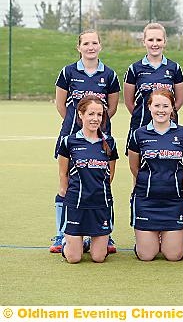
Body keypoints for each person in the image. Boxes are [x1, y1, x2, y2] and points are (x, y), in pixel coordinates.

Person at [51, 29, 120, 254]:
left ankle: (103, 234)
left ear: (100, 46)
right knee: (67, 184)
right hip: (72, 135)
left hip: (99, 139)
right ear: (78, 47)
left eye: (95, 43)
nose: (91, 47)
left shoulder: (109, 75)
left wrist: (95, 127)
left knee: (101, 185)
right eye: (86, 44)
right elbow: (61, 105)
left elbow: (112, 108)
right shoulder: (68, 72)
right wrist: (76, 123)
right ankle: (62, 233)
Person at [128, 89, 183, 261]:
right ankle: (150, 238)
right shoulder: (139, 134)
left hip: (175, 200)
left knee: (173, 255)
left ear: (173, 108)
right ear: (149, 107)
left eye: (166, 106)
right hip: (147, 200)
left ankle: (175, 240)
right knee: (146, 255)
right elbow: (135, 168)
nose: (161, 110)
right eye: (156, 105)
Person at [57, 95, 119, 263]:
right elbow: (63, 174)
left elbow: (110, 175)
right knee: (74, 258)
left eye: (99, 115)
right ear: (80, 115)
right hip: (76, 204)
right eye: (91, 114)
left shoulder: (110, 143)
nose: (95, 119)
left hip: (100, 204)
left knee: (98, 257)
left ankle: (87, 242)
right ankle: (69, 242)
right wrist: (68, 195)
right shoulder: (69, 142)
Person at [124, 22, 183, 152]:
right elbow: (129, 103)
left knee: (168, 160)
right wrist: (144, 114)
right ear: (144, 42)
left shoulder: (174, 68)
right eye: (150, 40)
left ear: (164, 42)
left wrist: (164, 115)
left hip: (168, 125)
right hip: (141, 123)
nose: (155, 44)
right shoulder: (134, 69)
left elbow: (179, 101)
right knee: (139, 166)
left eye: (158, 39)